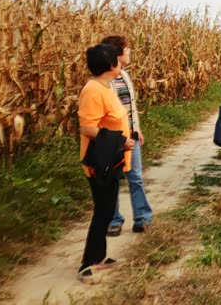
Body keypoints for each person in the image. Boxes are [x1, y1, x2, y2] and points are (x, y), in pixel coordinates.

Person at [77, 44, 135, 281]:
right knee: (103, 211)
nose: (121, 63)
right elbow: (87, 128)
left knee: (108, 209)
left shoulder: (105, 87)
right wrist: (121, 141)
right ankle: (87, 264)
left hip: (112, 159)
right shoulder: (93, 90)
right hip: (99, 161)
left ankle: (99, 257)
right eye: (118, 60)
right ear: (111, 65)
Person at [101, 35, 153, 236]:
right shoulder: (103, 81)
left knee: (136, 178)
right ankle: (113, 220)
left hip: (131, 136)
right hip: (112, 139)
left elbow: (131, 107)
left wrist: (137, 130)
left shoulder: (124, 76)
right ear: (117, 53)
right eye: (127, 49)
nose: (129, 52)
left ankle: (142, 218)